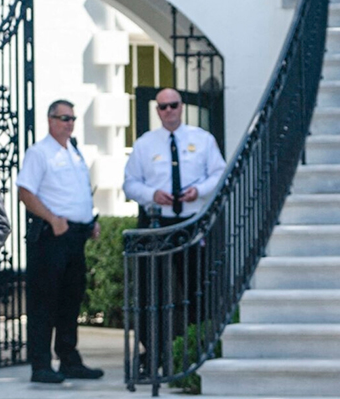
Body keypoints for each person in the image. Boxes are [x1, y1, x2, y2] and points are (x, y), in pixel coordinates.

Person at [123, 87, 225, 369]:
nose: (169, 111)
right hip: (157, 222)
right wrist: (152, 194)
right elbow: (130, 183)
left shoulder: (202, 139)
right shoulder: (145, 144)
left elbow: (219, 174)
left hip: (191, 221)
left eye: (174, 105)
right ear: (157, 110)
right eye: (163, 107)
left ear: (182, 107)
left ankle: (197, 348)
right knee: (151, 289)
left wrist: (199, 191)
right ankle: (153, 352)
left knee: (197, 285)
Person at [18, 99, 103, 383]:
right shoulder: (39, 152)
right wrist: (53, 219)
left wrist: (90, 219)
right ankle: (41, 365)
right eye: (63, 118)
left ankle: (69, 359)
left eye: (72, 118)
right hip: (51, 237)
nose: (69, 123)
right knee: (45, 302)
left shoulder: (74, 152)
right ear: (50, 120)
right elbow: (26, 192)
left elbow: (76, 191)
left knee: (70, 300)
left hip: (75, 236)